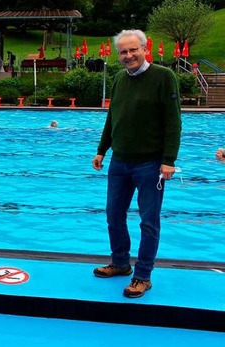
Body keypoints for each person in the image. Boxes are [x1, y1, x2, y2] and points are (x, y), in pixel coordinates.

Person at [92, 29, 181, 299]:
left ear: (144, 49)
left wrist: (168, 160)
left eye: (133, 50)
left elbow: (173, 121)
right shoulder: (119, 78)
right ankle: (120, 263)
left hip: (150, 164)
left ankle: (142, 275)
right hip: (119, 161)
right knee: (113, 215)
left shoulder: (164, 77)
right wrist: (101, 150)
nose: (128, 56)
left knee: (148, 221)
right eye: (123, 52)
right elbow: (112, 118)